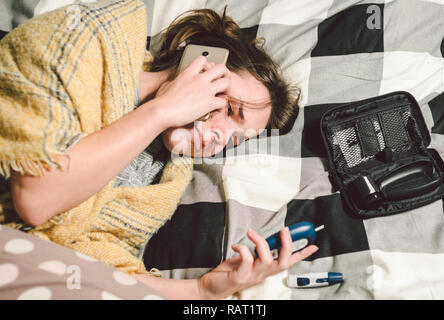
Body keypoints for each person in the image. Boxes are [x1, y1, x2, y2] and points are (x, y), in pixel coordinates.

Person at [1, 2, 318, 299]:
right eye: (231, 109)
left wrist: (203, 290)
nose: (221, 139)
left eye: (236, 139)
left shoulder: (162, 184)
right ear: (199, 62)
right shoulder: (93, 41)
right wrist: (162, 110)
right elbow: (35, 198)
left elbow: (98, 273)